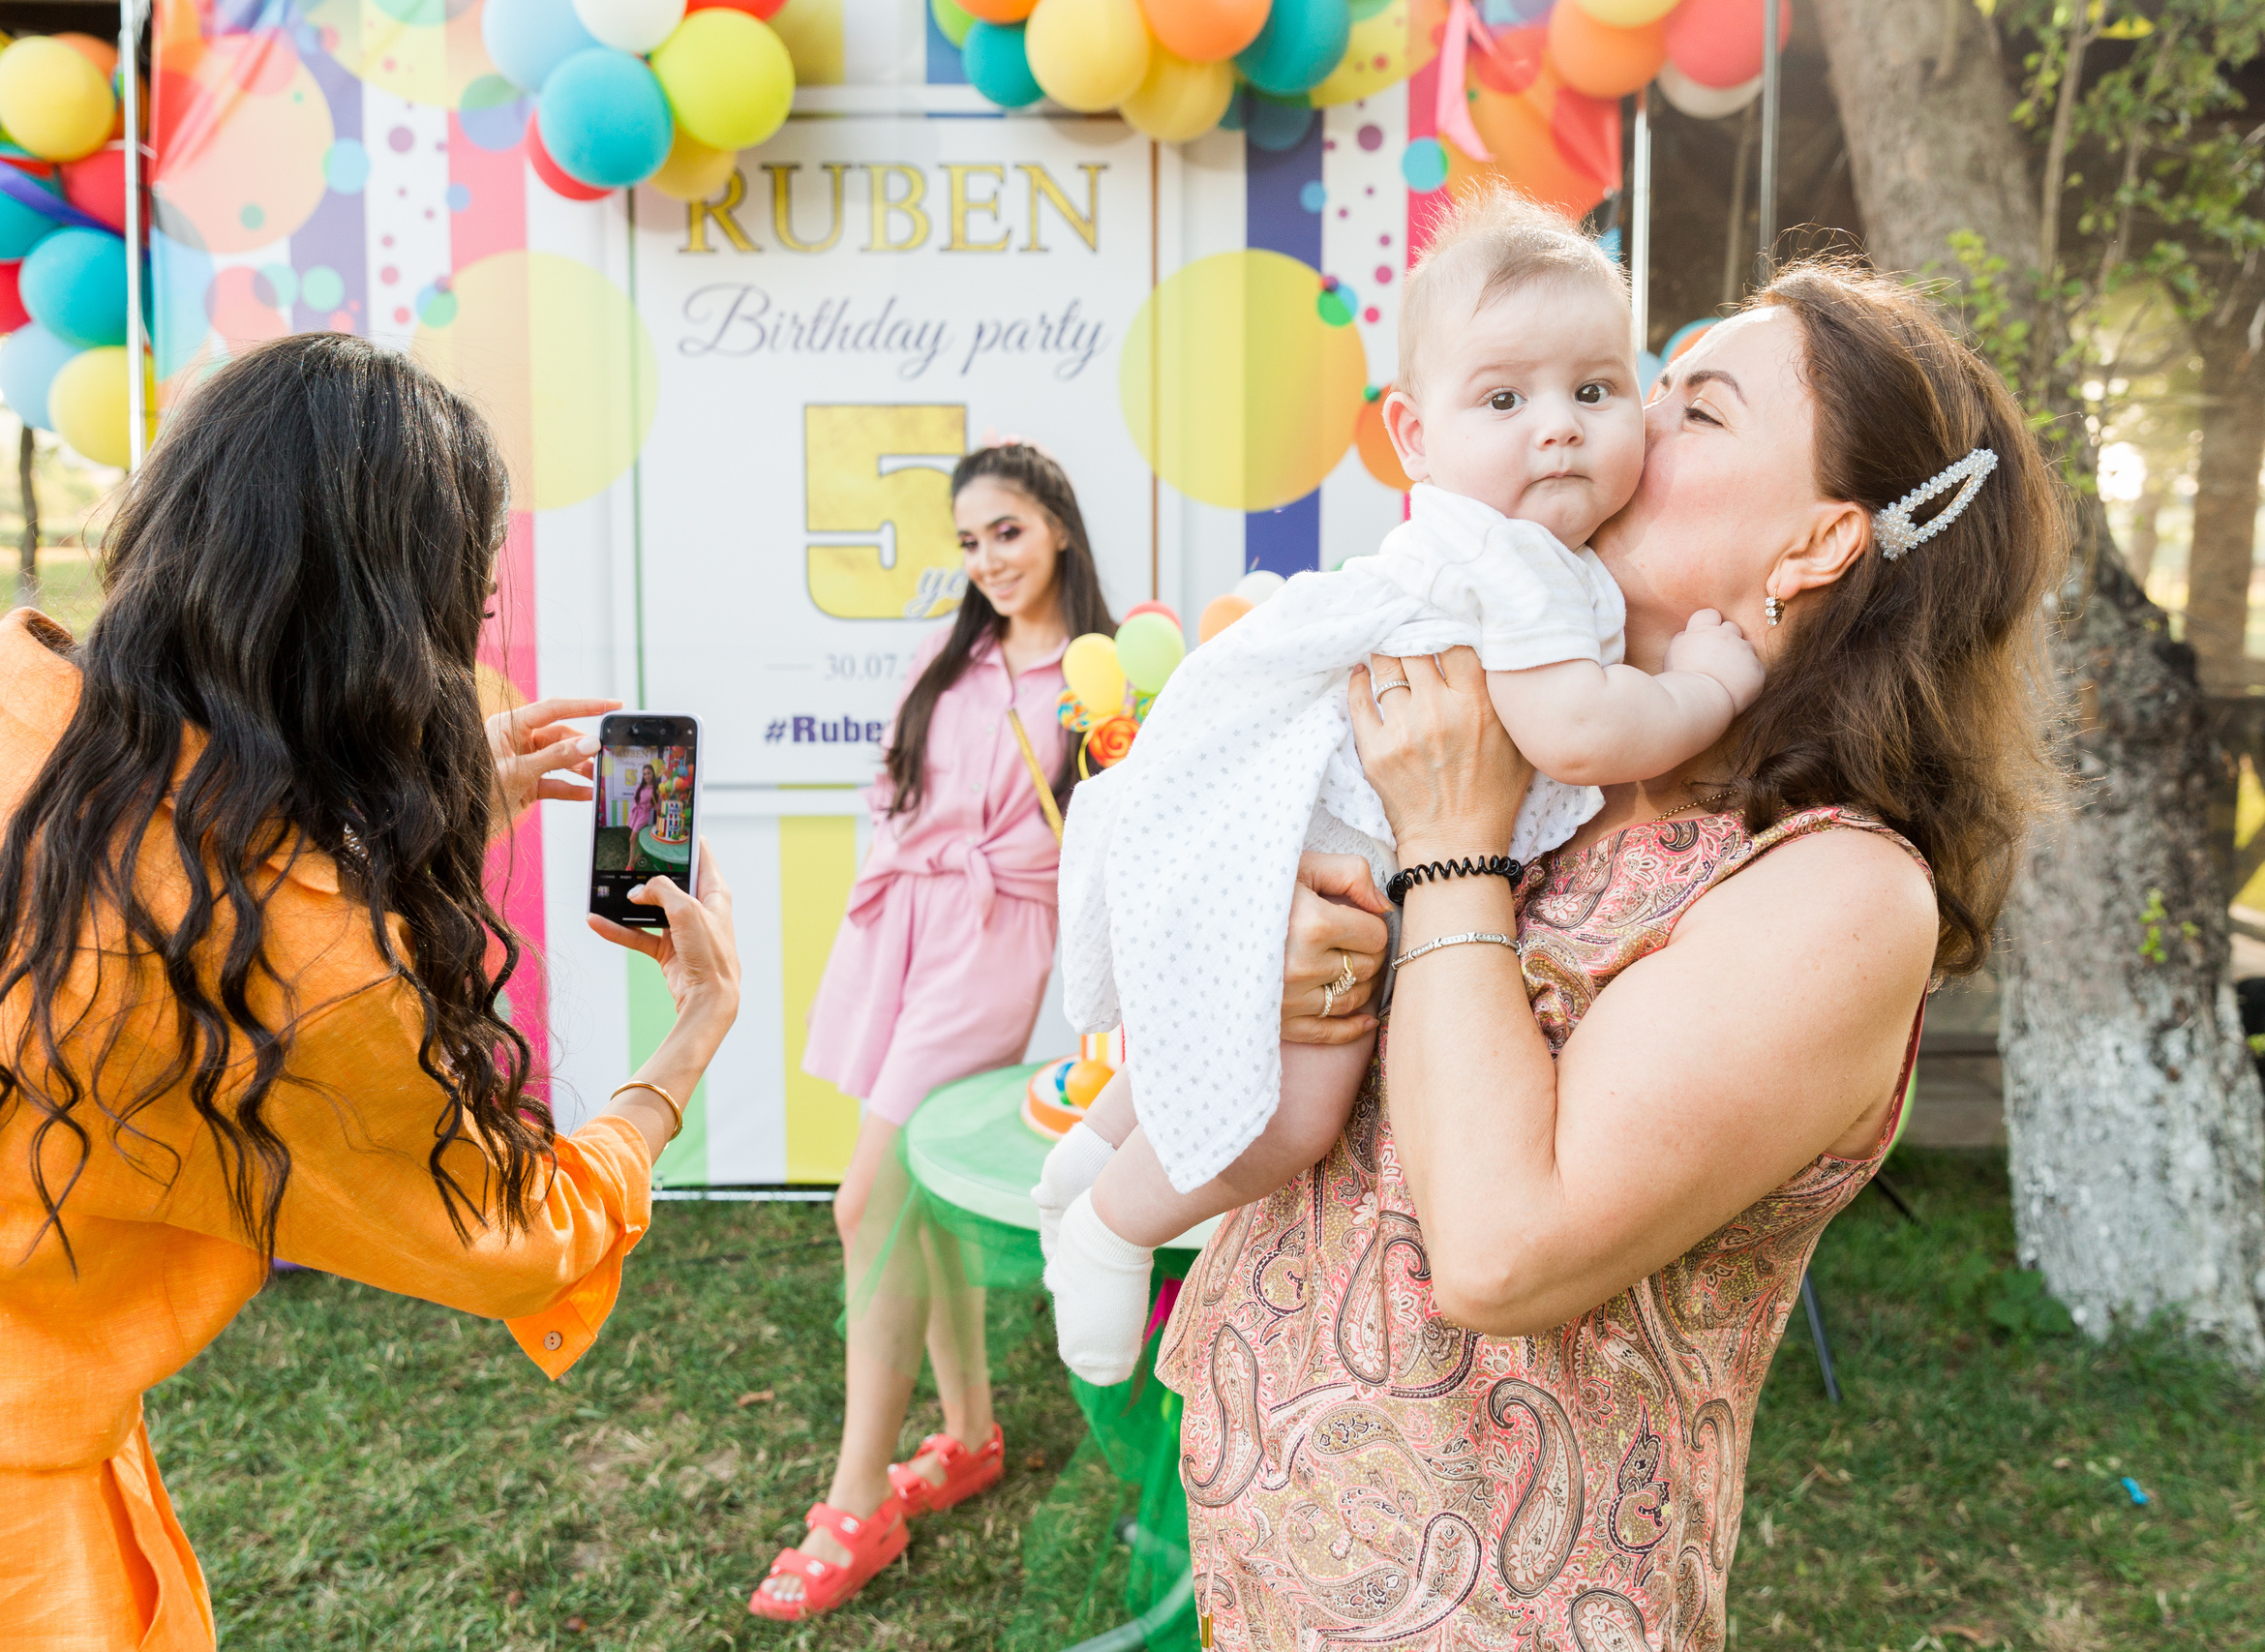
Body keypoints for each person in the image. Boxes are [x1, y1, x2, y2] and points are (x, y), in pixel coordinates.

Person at [1155, 259, 2061, 1647]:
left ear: (1816, 545)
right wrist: (1305, 957)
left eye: (1696, 408)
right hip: (1280, 1563)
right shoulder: (1553, 773)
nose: (1624, 420)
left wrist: (1449, 841)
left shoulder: (1833, 887)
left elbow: (1506, 1250)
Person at [0, 335, 741, 1650]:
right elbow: (515, 1231)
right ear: (401, 622)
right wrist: (687, 1041)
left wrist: (442, 818)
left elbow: (130, 867)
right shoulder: (305, 958)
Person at [1036, 192, 1767, 1383]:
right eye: (1503, 398)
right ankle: (1110, 1227)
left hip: (1281, 825)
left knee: (1229, 1023)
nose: (1557, 431)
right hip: (1320, 844)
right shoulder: (1517, 563)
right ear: (1412, 435)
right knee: (1294, 1114)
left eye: (1594, 390)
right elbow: (1578, 730)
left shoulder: (1496, 547)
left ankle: (1092, 1149)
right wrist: (1705, 686)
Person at [750, 439, 1115, 1621]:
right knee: (917, 1197)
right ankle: (965, 1435)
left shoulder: (1099, 676)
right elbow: (895, 786)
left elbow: (1108, 828)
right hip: (899, 927)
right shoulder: (949, 656)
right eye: (968, 542)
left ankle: (859, 1498)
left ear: (1056, 524)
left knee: (866, 1200)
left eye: (1006, 531)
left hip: (995, 938)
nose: (988, 560)